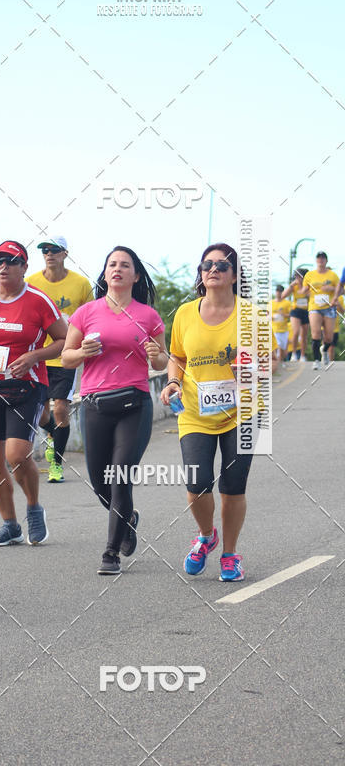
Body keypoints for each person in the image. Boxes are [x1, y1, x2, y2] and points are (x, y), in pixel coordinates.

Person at [160, 243, 278, 583]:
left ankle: (229, 554)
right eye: (207, 264)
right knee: (197, 484)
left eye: (222, 265)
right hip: (196, 412)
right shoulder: (184, 313)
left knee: (233, 486)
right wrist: (172, 382)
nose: (213, 269)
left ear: (235, 274)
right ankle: (205, 535)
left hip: (242, 413)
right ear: (200, 273)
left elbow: (272, 360)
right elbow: (177, 356)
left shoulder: (252, 315)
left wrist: (252, 371)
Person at [61, 246, 166, 575]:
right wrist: (81, 351)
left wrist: (154, 353)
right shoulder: (86, 312)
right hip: (94, 404)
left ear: (136, 275)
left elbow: (164, 361)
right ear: (105, 274)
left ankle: (110, 553)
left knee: (120, 476)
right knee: (99, 480)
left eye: (125, 265)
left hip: (134, 404)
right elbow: (65, 357)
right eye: (112, 264)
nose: (117, 269)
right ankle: (128, 519)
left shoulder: (148, 315)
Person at [0, 240, 67, 546]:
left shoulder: (38, 301)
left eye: (11, 261)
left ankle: (34, 507)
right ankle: (10, 525)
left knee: (17, 455)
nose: (3, 266)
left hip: (27, 386)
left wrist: (35, 356)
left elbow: (64, 340)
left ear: (24, 266)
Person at [27, 236, 92, 483]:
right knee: (41, 414)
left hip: (66, 354)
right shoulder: (31, 282)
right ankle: (54, 437)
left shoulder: (81, 283)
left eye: (54, 250)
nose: (49, 254)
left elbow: (90, 316)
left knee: (62, 408)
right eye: (44, 250)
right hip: (40, 355)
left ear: (65, 253)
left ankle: (56, 465)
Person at [301, 252, 340, 369]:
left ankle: (324, 349)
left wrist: (332, 288)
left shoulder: (332, 275)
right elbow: (304, 291)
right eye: (319, 258)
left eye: (323, 258)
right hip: (315, 307)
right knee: (316, 332)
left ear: (326, 261)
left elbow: (341, 290)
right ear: (316, 260)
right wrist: (305, 290)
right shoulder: (310, 275)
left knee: (329, 337)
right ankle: (316, 360)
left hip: (329, 307)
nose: (321, 260)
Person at [281, 268, 309, 362]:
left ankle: (302, 355)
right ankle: (293, 354)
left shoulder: (308, 286)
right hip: (295, 311)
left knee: (304, 335)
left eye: (299, 276)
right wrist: (290, 286)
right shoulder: (294, 286)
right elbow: (283, 296)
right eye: (296, 276)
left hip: (306, 311)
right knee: (296, 332)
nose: (297, 278)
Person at [272, 285, 291, 366]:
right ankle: (277, 362)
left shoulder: (287, 303)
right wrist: (271, 317)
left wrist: (284, 315)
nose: (278, 293)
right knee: (276, 346)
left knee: (282, 347)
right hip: (274, 328)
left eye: (280, 291)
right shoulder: (271, 303)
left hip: (283, 329)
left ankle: (281, 360)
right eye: (277, 291)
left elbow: (291, 315)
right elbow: (266, 313)